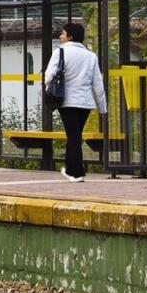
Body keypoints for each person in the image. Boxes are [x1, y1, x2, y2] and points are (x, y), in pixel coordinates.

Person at [44, 20, 107, 182]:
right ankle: (70, 168)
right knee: (74, 135)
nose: (60, 36)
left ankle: (77, 173)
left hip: (67, 101)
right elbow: (98, 84)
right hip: (85, 103)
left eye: (63, 33)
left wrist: (48, 89)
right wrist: (102, 108)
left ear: (70, 36)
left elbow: (49, 75)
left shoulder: (60, 52)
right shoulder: (91, 56)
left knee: (73, 136)